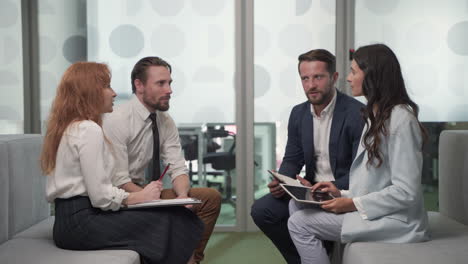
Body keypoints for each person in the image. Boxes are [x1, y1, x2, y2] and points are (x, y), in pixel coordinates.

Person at [42, 62, 203, 264]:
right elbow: (101, 196)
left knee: (175, 220)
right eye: (107, 86)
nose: (114, 93)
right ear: (90, 92)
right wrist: (140, 196)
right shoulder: (88, 129)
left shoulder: (72, 127)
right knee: (176, 220)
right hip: (82, 224)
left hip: (69, 222)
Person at [287, 44, 430, 264]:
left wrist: (352, 204)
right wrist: (340, 193)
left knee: (298, 223)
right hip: (375, 208)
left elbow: (406, 192)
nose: (347, 78)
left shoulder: (401, 119)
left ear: (372, 75)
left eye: (353, 72)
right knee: (296, 204)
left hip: (397, 220)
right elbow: (374, 180)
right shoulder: (377, 114)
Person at [102, 56, 222, 264]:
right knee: (168, 215)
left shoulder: (164, 121)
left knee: (209, 198)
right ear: (139, 85)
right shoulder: (118, 120)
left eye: (170, 83)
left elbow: (178, 167)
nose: (169, 90)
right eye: (161, 83)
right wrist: (155, 201)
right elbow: (119, 180)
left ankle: (189, 258)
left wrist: (182, 197)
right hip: (121, 198)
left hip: (145, 191)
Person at [250, 49, 365, 263]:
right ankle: (308, 257)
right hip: (310, 190)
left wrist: (329, 186)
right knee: (262, 210)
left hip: (342, 190)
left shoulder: (356, 114)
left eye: (318, 77)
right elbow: (293, 158)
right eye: (305, 78)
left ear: (334, 77)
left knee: (297, 216)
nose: (311, 85)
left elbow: (361, 172)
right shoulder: (299, 113)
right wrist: (282, 181)